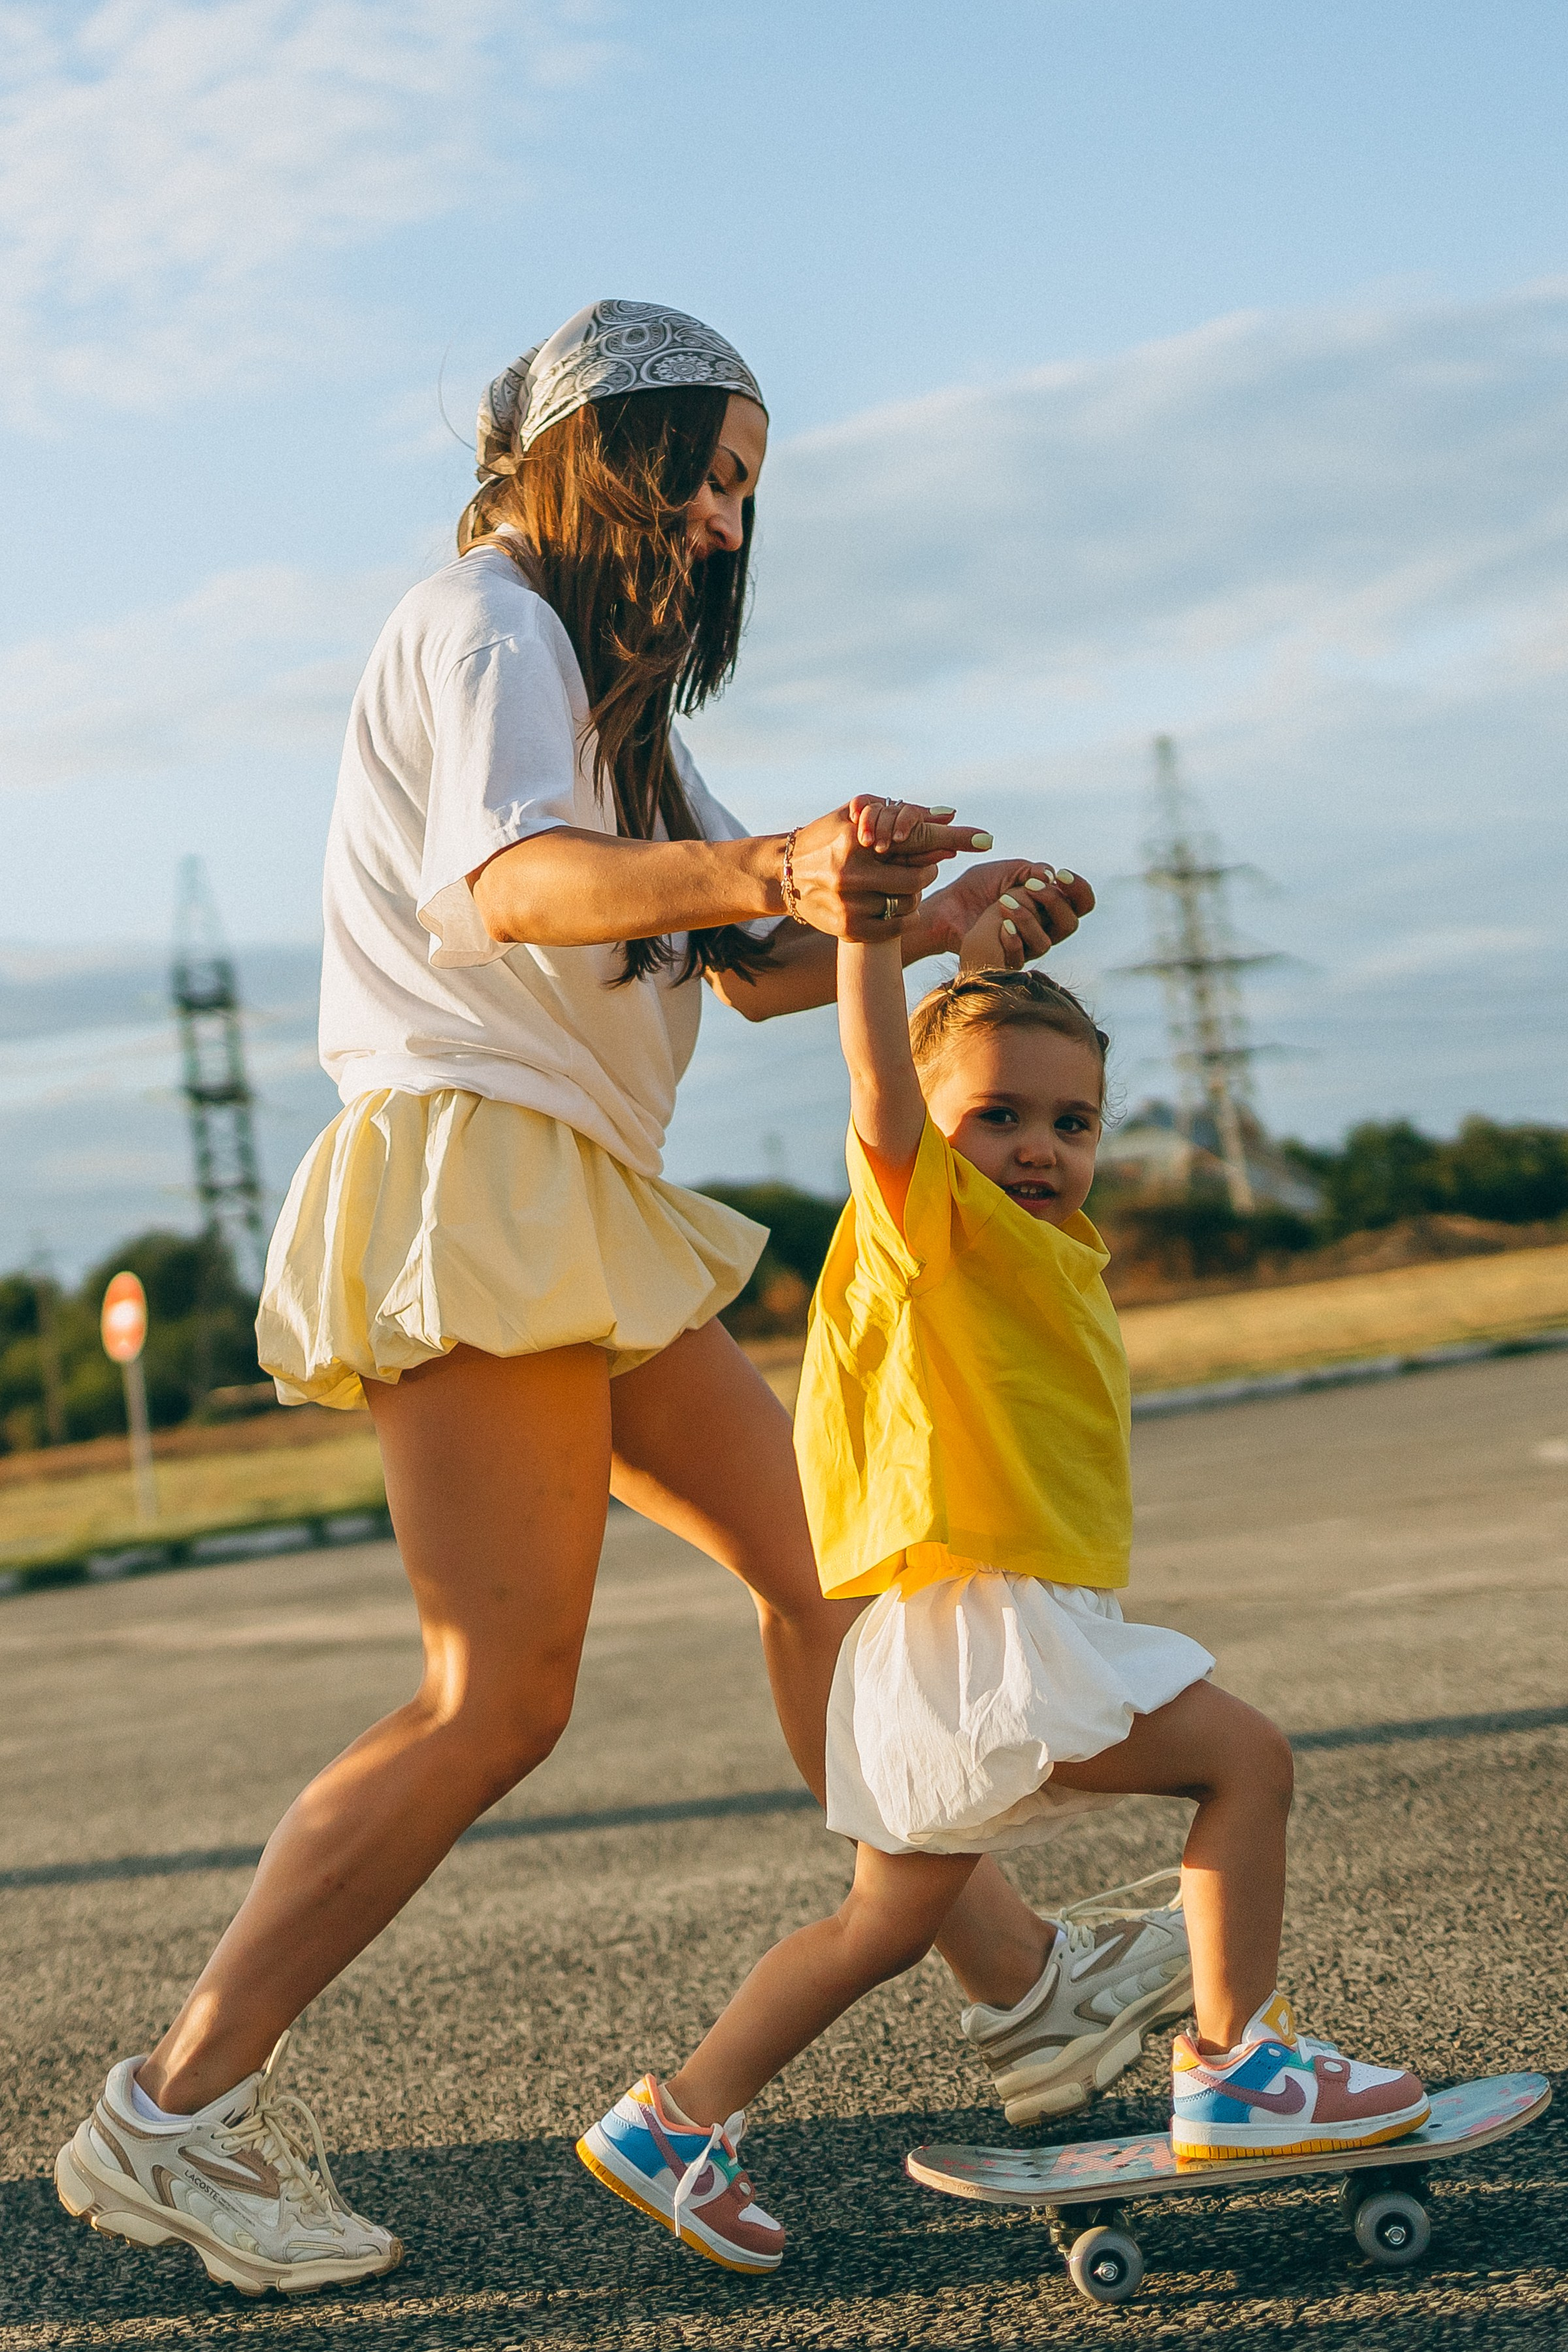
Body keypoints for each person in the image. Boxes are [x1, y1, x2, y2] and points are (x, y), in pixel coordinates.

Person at [53, 301, 1156, 2297]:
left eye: (749, 492)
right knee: (500, 1700)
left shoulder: (606, 690)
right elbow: (521, 889)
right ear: (605, 450)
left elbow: (733, 964)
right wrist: (774, 859)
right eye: (711, 476)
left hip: (568, 1181)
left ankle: (1024, 1994)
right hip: (472, 1170)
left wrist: (914, 924)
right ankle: (169, 2117)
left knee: (827, 1571)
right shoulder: (486, 624)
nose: (729, 527)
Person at [578, 833, 1431, 2275]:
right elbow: (881, 1082)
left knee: (883, 1924)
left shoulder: (1031, 1238)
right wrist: (869, 940)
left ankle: (674, 2120)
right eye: (1002, 1119)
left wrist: (986, 977)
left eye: (1075, 1121)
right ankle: (1237, 2068)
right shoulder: (930, 1221)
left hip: (943, 1640)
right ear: (932, 1127)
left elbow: (980, 1058)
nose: (1041, 1145)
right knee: (1247, 1764)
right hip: (992, 1635)